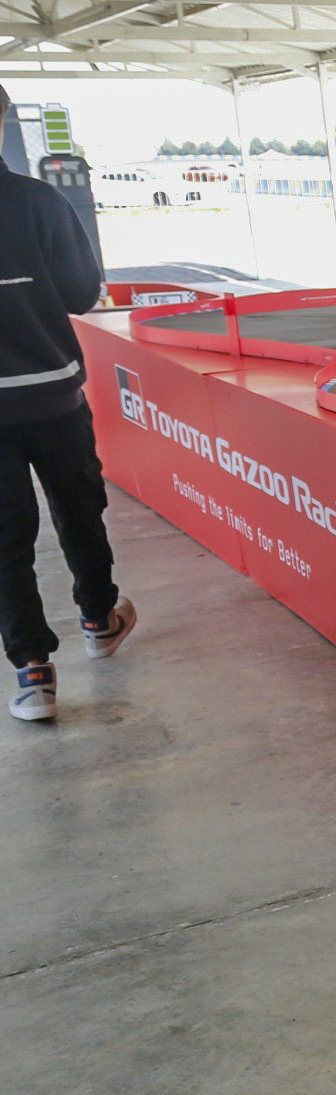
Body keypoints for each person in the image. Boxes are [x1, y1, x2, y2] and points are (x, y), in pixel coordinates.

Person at [0, 83, 136, 723]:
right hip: (53, 394)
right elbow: (82, 293)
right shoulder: (40, 202)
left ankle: (32, 672)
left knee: (5, 537)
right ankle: (99, 618)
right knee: (79, 508)